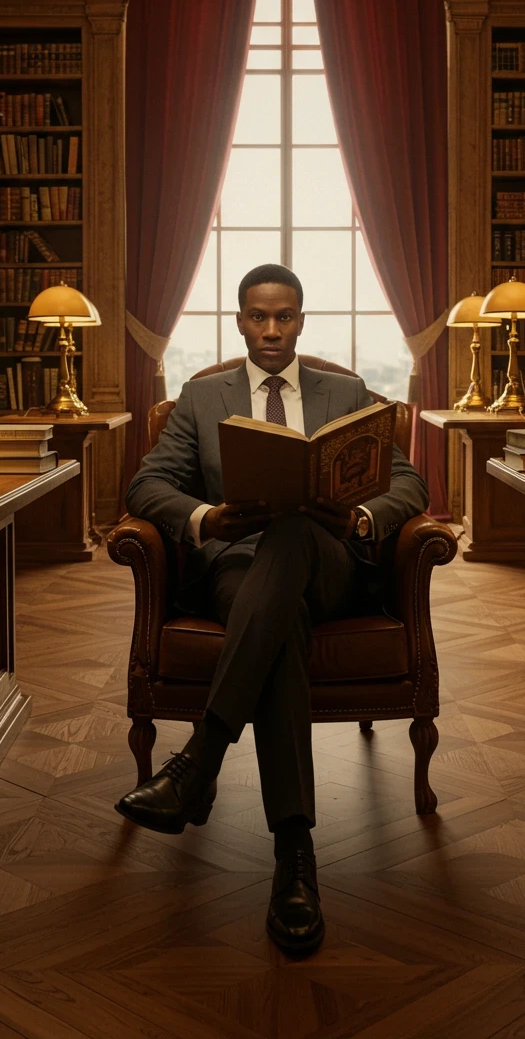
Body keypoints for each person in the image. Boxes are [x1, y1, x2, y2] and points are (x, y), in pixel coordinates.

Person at [116, 263, 429, 955]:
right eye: (258, 317)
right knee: (276, 618)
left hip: (332, 565)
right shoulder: (201, 399)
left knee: (295, 530)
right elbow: (146, 486)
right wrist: (206, 517)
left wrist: (363, 521)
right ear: (239, 320)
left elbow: (409, 482)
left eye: (284, 316)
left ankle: (201, 758)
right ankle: (294, 854)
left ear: (301, 320)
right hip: (235, 567)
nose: (271, 330)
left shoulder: (346, 394)